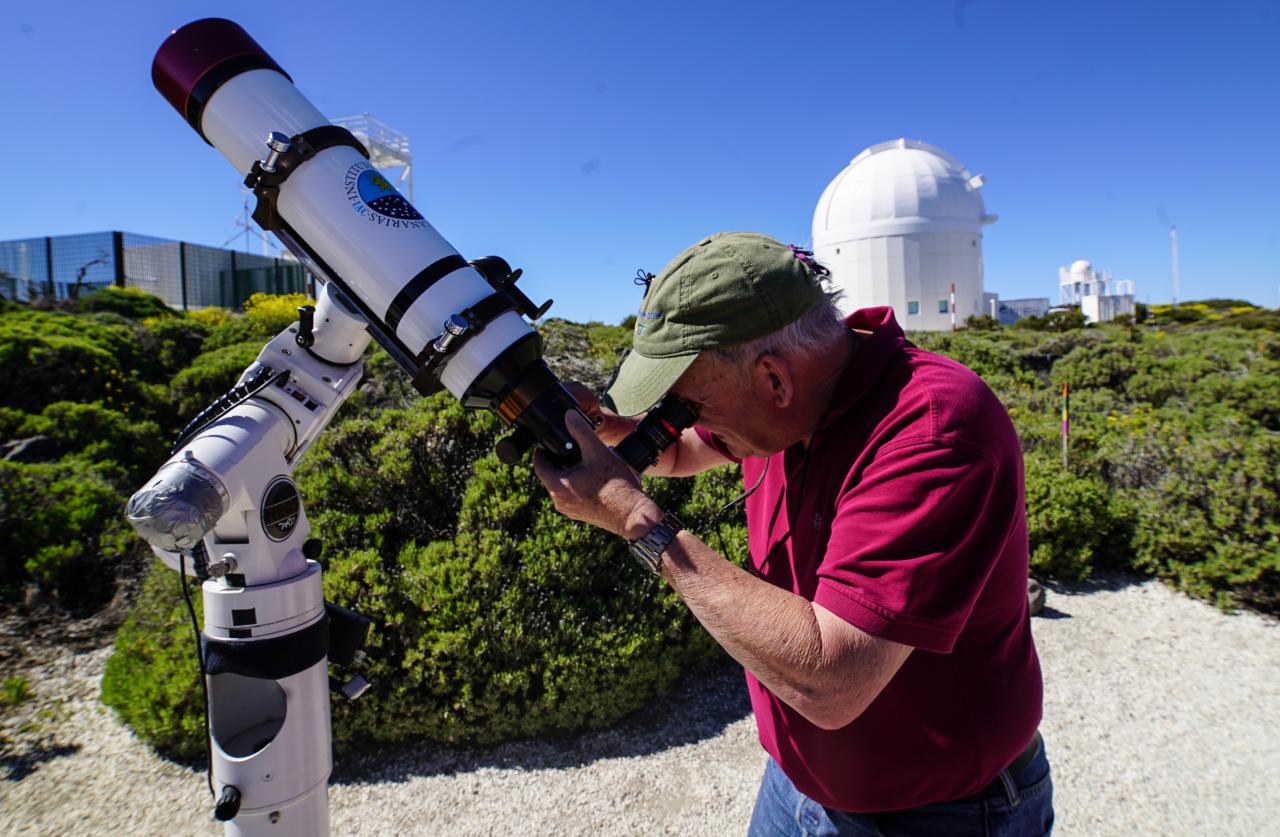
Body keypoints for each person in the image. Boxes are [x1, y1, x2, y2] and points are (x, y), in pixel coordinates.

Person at [533, 231, 1052, 836]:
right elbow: (681, 452)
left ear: (775, 380)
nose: (679, 422)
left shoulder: (932, 431)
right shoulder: (788, 408)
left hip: (937, 812)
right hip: (798, 784)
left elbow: (832, 678)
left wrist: (631, 516)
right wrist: (605, 430)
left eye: (687, 403)